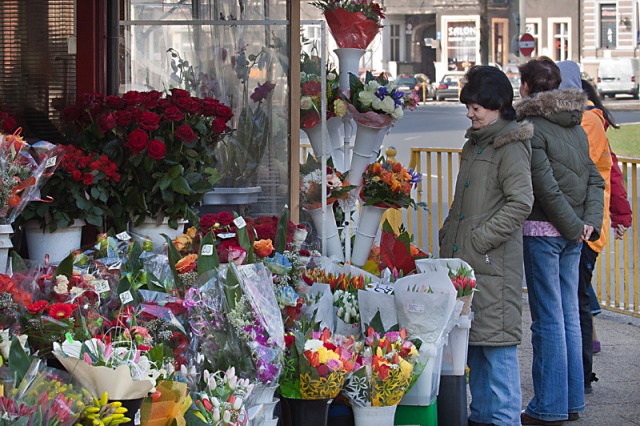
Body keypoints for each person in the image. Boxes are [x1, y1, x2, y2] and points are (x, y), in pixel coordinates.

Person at [439, 65, 534, 426]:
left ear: (497, 105)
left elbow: (520, 202)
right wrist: (449, 235)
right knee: (473, 348)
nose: (470, 113)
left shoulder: (510, 144)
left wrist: (480, 239)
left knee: (498, 351)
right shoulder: (473, 145)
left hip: (493, 264)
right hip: (466, 264)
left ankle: (506, 420)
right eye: (468, 106)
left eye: (476, 107)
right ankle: (480, 419)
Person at [516, 57, 605, 425]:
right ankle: (570, 403)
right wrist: (588, 224)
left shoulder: (531, 128)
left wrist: (573, 226)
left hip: (545, 233)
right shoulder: (576, 125)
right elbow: (594, 181)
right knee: (568, 318)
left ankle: (549, 406)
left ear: (527, 88)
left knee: (549, 321)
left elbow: (545, 188)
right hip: (574, 234)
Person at [557, 60, 613, 397]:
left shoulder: (588, 121)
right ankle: (577, 374)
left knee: (576, 303)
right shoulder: (586, 119)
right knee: (575, 302)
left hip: (583, 226)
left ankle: (580, 375)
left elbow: (580, 171)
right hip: (580, 223)